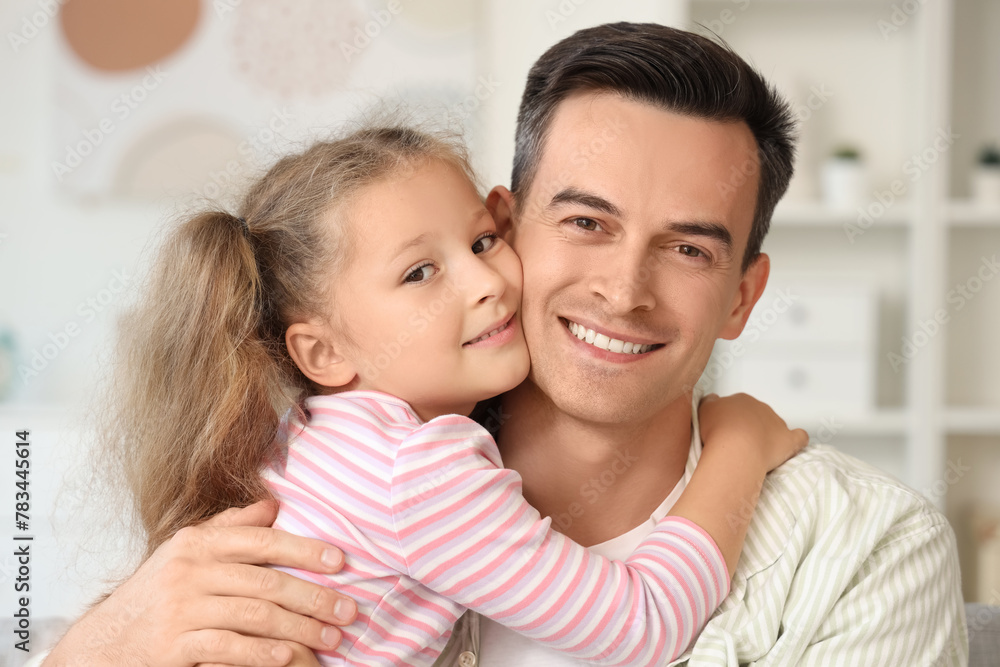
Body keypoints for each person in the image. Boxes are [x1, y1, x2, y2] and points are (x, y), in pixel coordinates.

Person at [42, 22, 967, 667]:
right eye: (586, 222)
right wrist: (104, 641)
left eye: (689, 248)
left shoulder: (869, 548)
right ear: (510, 219)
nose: (623, 289)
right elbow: (640, 624)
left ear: (743, 296)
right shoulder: (359, 471)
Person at [55, 122, 803, 667]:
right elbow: (643, 624)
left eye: (481, 242)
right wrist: (739, 442)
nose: (487, 282)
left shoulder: (313, 432)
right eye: (421, 273)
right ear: (323, 350)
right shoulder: (418, 469)